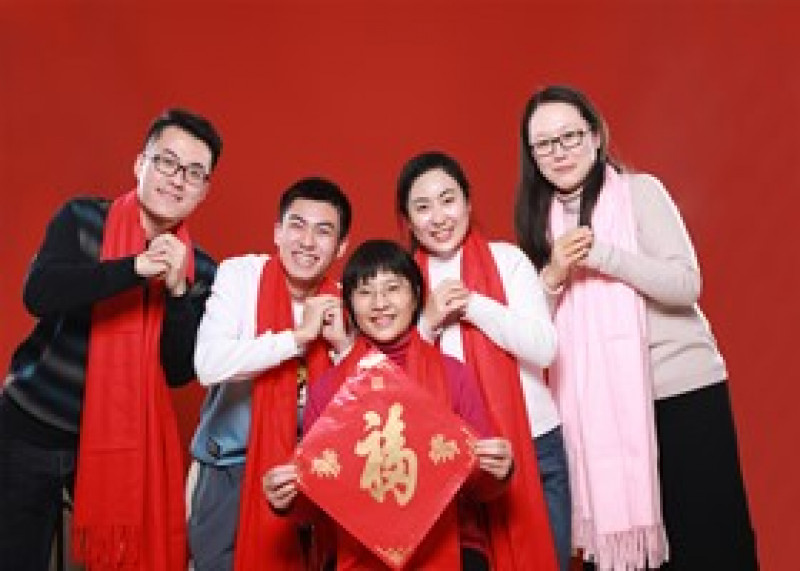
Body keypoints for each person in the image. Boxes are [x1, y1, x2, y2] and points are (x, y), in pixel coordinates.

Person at [515, 84, 758, 570]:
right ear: (533, 157)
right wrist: (554, 274)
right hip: (597, 409)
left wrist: (604, 255)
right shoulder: (537, 224)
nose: (559, 152)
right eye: (544, 144)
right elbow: (535, 332)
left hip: (680, 392)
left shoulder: (640, 193)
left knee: (710, 542)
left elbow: (685, 285)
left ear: (595, 136)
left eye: (569, 136)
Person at [0, 108, 221, 570]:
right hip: (33, 424)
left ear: (203, 191)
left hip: (121, 447)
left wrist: (177, 293)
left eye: (193, 173)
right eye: (167, 162)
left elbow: (177, 370)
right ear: (140, 164)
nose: (177, 180)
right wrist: (134, 269)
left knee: (121, 560)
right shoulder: (83, 218)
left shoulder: (200, 269)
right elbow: (39, 293)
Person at [264, 239, 515, 570]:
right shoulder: (328, 388)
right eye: (365, 292)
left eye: (393, 288)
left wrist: (498, 471)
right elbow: (317, 503)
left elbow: (481, 489)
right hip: (356, 550)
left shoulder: (453, 375)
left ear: (416, 295)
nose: (380, 303)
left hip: (448, 542)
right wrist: (286, 499)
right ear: (349, 306)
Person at [394, 151, 565, 570]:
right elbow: (396, 382)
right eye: (422, 207)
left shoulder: (507, 260)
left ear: (468, 203)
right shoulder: (401, 283)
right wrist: (427, 323)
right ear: (408, 221)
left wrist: (472, 305)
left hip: (535, 446)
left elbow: (544, 347)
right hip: (447, 460)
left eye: (447, 200)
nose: (438, 217)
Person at [188, 177, 352, 570]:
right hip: (230, 465)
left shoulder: (347, 302)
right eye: (297, 225)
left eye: (323, 231)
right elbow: (208, 365)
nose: (307, 242)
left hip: (309, 472)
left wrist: (343, 347)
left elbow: (362, 404)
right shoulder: (241, 276)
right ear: (277, 232)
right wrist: (298, 338)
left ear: (341, 247)